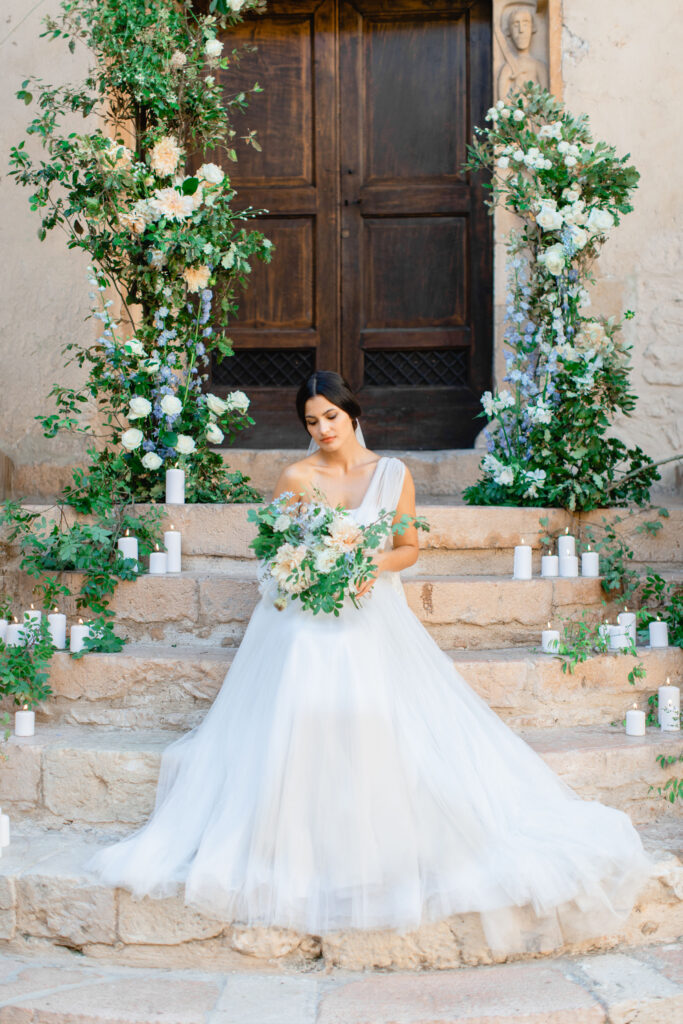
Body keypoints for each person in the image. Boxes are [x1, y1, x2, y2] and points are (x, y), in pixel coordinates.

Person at [86, 370, 655, 954]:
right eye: (312, 421)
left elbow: (408, 548)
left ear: (352, 413)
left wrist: (366, 567)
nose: (323, 429)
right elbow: (275, 551)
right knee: (306, 670)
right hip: (302, 613)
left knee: (368, 703)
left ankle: (372, 842)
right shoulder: (296, 477)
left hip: (369, 609)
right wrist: (306, 572)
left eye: (331, 416)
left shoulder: (393, 475)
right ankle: (297, 846)